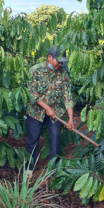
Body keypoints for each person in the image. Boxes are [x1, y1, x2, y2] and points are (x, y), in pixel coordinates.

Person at [25, 45, 74, 174]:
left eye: (63, 62)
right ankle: (30, 168)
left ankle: (54, 169)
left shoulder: (63, 74)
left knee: (55, 136)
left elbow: (67, 96)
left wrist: (70, 119)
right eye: (59, 61)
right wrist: (47, 108)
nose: (61, 64)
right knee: (33, 140)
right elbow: (33, 94)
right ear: (49, 57)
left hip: (55, 112)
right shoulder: (35, 70)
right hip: (35, 111)